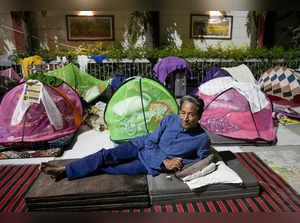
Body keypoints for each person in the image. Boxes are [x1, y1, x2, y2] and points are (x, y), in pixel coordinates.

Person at [40, 95, 210, 181]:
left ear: (199, 116)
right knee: (105, 155)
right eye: (183, 113)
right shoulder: (169, 119)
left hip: (149, 163)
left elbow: (199, 161)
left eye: (191, 115)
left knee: (111, 168)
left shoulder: (202, 139)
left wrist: (177, 163)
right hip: (140, 144)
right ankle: (63, 170)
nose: (185, 118)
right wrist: (165, 160)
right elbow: (151, 141)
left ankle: (66, 171)